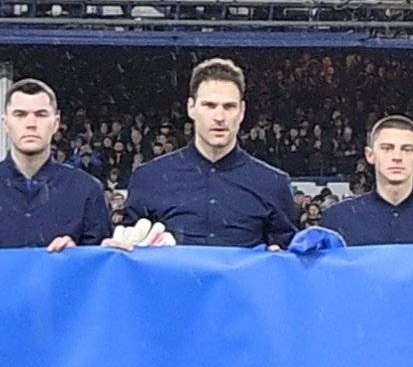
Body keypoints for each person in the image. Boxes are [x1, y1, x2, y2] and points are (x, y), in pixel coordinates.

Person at [120, 58, 299, 248]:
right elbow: (127, 256)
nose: (220, 117)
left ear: (242, 111)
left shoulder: (273, 183)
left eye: (229, 106)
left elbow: (288, 260)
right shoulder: (149, 178)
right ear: (191, 107)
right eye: (210, 105)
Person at [0, 79, 115, 251]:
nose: (31, 124)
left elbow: (99, 267)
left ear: (55, 123)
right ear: (5, 123)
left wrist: (77, 256)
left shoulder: (87, 190)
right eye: (20, 114)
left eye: (41, 114)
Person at [314, 115, 413, 245]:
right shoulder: (337, 218)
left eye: (407, 149)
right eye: (387, 148)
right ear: (370, 155)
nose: (397, 157)